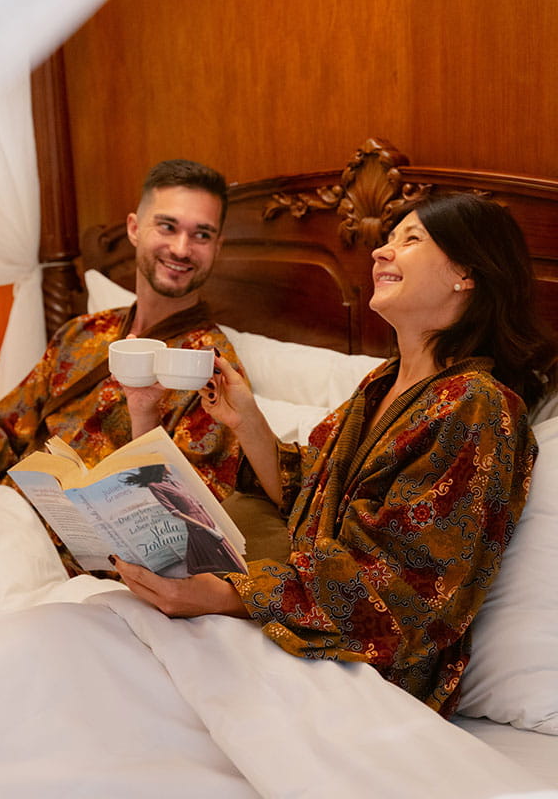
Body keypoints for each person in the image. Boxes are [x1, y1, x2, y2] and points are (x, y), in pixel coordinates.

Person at [114, 191, 558, 716]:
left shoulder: (478, 408)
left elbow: (402, 591)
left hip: (367, 671)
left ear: (466, 273)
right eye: (388, 239)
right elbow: (312, 491)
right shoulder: (383, 383)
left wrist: (226, 595)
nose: (379, 253)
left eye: (410, 239)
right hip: (296, 620)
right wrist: (248, 421)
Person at [0, 158, 246, 574]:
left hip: (77, 568)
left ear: (218, 247)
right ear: (133, 228)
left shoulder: (209, 371)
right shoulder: (81, 334)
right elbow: (6, 429)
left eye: (201, 234)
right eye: (167, 226)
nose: (181, 248)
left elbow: (190, 527)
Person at [120, 463, 245, 576]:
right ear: (159, 467)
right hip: (196, 523)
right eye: (165, 464)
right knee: (225, 558)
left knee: (229, 556)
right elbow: (175, 512)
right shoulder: (155, 486)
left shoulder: (176, 483)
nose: (169, 465)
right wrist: (205, 528)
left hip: (206, 518)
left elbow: (196, 502)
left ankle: (243, 588)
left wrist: (213, 523)